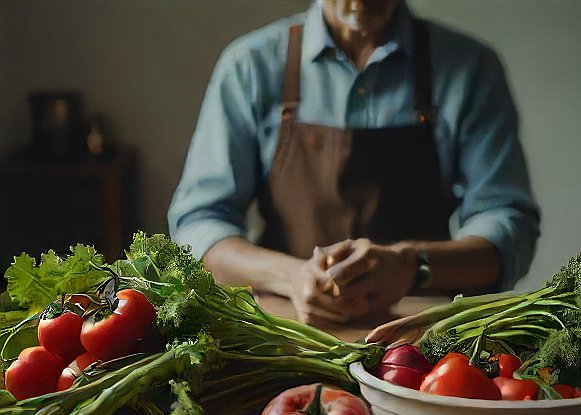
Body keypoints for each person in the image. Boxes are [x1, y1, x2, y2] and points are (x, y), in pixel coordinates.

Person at [168, 0, 540, 326]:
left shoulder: (469, 68)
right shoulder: (250, 66)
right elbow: (199, 222)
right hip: (284, 338)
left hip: (419, 346)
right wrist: (290, 276)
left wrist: (412, 266)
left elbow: (509, 227)